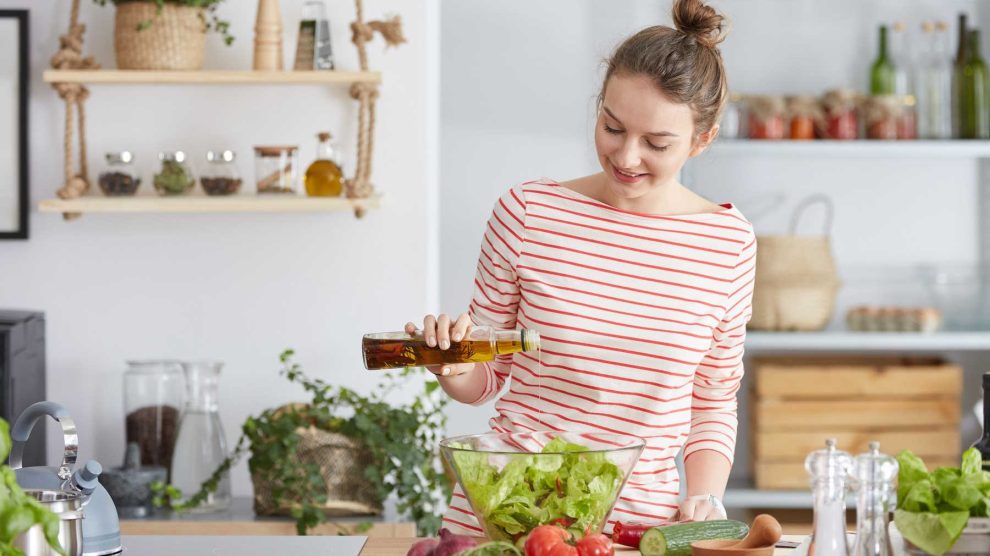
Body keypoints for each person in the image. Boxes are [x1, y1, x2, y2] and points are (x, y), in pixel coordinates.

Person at [407, 0, 756, 534]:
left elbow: (712, 398)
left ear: (702, 139)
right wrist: (451, 365)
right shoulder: (527, 213)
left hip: (634, 532)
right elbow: (488, 377)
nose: (627, 157)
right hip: (509, 514)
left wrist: (706, 496)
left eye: (657, 143)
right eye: (612, 127)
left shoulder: (727, 244)